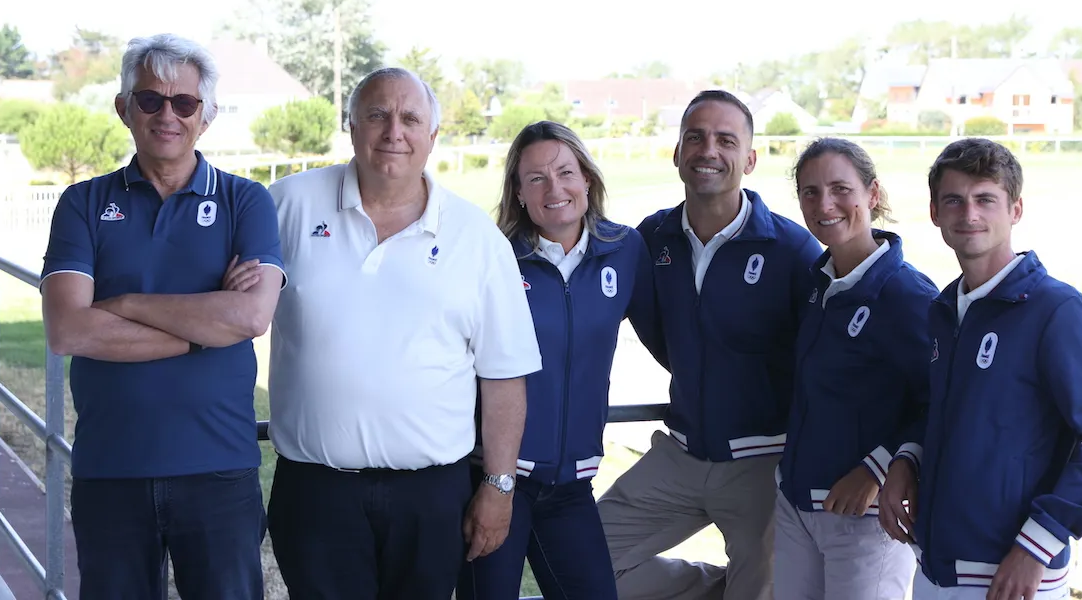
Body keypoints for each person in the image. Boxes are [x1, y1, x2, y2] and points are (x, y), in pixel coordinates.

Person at [266, 67, 543, 599]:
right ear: (351, 126)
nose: (394, 131)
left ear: (433, 137)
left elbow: (504, 375)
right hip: (315, 489)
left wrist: (499, 486)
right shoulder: (286, 205)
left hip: (434, 495)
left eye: (411, 118)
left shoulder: (477, 238)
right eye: (377, 115)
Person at [40, 34, 285, 600]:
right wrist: (203, 331)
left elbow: (250, 316)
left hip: (220, 470)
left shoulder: (244, 201)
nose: (167, 115)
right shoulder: (82, 203)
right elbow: (68, 330)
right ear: (124, 108)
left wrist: (123, 305)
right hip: (110, 469)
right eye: (150, 100)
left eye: (185, 103)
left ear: (208, 115)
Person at [877, 138, 1082, 600]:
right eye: (953, 200)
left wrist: (1037, 546)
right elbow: (941, 408)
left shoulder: (1059, 311)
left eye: (985, 200)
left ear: (1015, 210)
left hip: (1009, 574)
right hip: (934, 564)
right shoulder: (943, 310)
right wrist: (906, 458)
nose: (969, 214)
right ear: (935, 213)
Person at [598, 89, 823, 600]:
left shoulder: (792, 249)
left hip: (765, 462)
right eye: (694, 138)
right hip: (680, 454)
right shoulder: (652, 238)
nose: (708, 151)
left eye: (726, 139)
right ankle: (713, 589)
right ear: (677, 152)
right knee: (580, 563)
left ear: (750, 158)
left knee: (768, 588)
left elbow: (821, 358)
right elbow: (660, 335)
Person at [456, 121, 652, 600]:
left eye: (566, 171)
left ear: (586, 177)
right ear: (519, 193)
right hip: (495, 480)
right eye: (536, 178)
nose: (555, 188)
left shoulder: (625, 250)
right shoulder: (495, 257)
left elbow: (668, 338)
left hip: (571, 486)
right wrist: (491, 483)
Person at [774, 137, 937, 599]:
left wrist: (878, 468)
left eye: (840, 189)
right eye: (809, 192)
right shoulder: (816, 284)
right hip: (796, 501)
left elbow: (943, 400)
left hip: (864, 518)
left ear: (873, 194)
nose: (825, 204)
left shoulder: (907, 296)